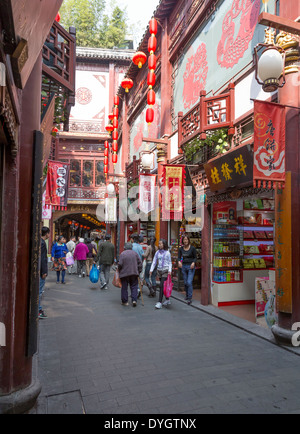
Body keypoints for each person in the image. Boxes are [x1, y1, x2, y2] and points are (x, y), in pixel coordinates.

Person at [118, 243, 142, 307]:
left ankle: (125, 301)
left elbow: (120, 264)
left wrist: (119, 270)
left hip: (124, 274)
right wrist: (139, 271)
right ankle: (134, 300)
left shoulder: (122, 254)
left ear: (125, 247)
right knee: (134, 286)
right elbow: (140, 263)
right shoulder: (135, 254)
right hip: (134, 273)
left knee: (124, 287)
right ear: (131, 247)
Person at [150, 239, 172, 309]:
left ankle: (159, 302)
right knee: (164, 286)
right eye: (159, 244)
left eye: (160, 244)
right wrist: (151, 269)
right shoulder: (157, 252)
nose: (159, 245)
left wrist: (169, 270)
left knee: (161, 286)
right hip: (159, 270)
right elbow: (154, 261)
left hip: (165, 270)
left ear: (164, 244)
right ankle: (167, 299)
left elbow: (170, 262)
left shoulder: (168, 253)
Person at [178, 233, 197, 305]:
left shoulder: (192, 248)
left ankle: (189, 297)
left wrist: (193, 263)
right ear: (182, 241)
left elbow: (195, 257)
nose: (185, 241)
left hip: (190, 267)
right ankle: (187, 295)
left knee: (189, 282)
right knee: (185, 282)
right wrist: (179, 262)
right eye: (184, 240)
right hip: (183, 266)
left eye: (186, 239)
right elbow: (179, 257)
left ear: (188, 240)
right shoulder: (181, 249)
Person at [39, 226, 50, 319]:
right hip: (41, 271)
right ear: (46, 234)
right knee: (39, 291)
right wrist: (44, 271)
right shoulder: (42, 243)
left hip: (39, 270)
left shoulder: (39, 241)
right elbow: (42, 258)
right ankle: (38, 310)